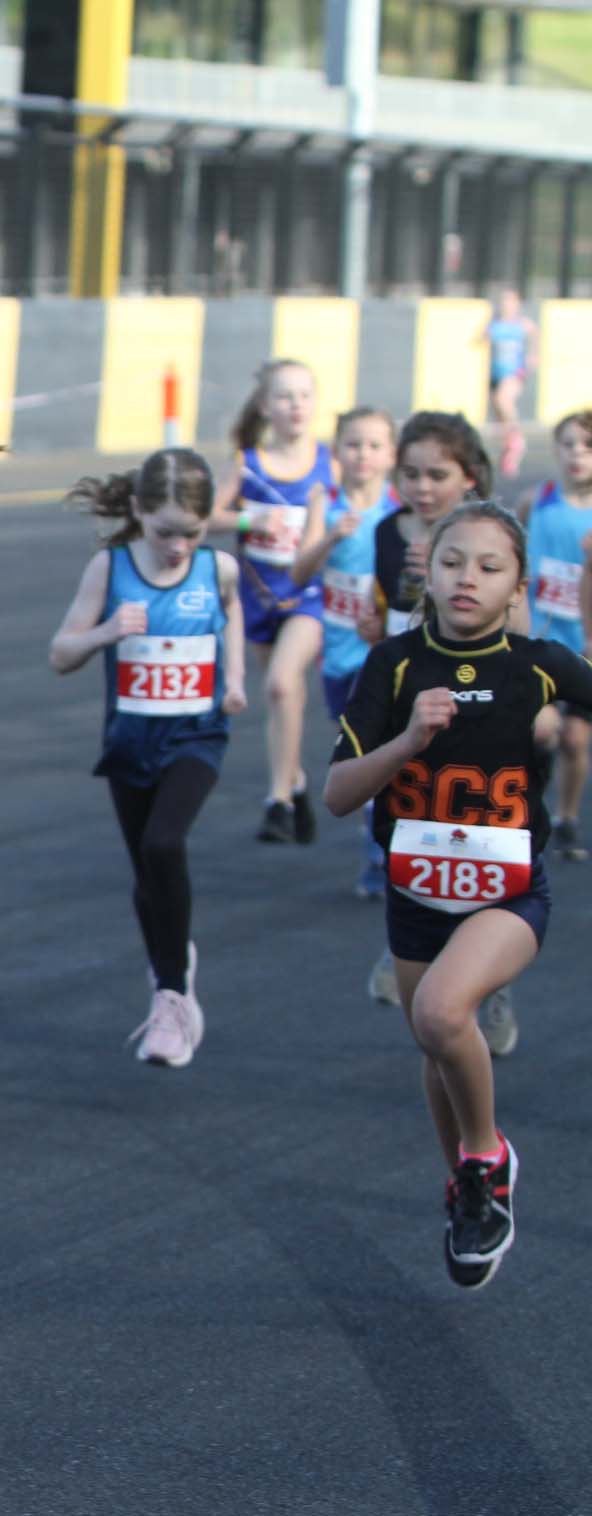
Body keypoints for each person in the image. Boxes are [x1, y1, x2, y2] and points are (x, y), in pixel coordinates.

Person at [326, 499, 592, 1287]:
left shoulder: (538, 663)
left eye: (489, 566)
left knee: (444, 1013)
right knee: (436, 1042)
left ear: (517, 587)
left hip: (508, 894)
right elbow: (338, 793)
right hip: (416, 893)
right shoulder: (394, 665)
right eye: (451, 562)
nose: (467, 578)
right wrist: (409, 739)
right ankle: (468, 1193)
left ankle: (486, 1157)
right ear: (428, 575)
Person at [50, 450, 249, 1068]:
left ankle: (172, 996)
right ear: (137, 511)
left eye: (193, 532)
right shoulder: (109, 569)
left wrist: (235, 677)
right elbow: (60, 653)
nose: (178, 547)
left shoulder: (217, 569)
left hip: (196, 736)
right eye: (165, 533)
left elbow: (232, 613)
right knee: (146, 875)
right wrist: (106, 632)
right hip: (131, 743)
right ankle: (171, 963)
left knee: (165, 844)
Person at [361, 411, 514, 1047]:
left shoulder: (490, 540)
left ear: (468, 477)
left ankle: (491, 984)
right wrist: (374, 628)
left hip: (477, 715)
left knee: (478, 849)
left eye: (438, 475)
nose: (422, 488)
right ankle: (409, 944)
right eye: (411, 474)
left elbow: (518, 631)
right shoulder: (387, 532)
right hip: (408, 714)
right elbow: (382, 613)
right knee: (408, 836)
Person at [211, 359, 329, 846]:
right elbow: (206, 517)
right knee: (283, 696)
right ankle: (294, 780)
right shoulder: (248, 465)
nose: (296, 405)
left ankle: (278, 802)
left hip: (311, 596)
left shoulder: (330, 463)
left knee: (282, 682)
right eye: (284, 396)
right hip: (260, 596)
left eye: (304, 395)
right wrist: (249, 521)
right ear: (265, 406)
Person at [292, 406, 401, 900]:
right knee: (360, 753)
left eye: (375, 445)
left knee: (376, 747)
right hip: (338, 653)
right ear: (336, 452)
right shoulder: (327, 502)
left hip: (383, 653)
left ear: (391, 454)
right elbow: (299, 572)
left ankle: (381, 852)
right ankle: (378, 839)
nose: (363, 455)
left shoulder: (399, 509)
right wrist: (331, 538)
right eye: (353, 444)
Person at [522, 409, 592, 861]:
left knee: (575, 739)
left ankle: (567, 818)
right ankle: (529, 810)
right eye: (568, 445)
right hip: (541, 641)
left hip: (585, 644)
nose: (577, 455)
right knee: (541, 730)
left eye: (588, 447)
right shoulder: (537, 501)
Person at [484, 289, 539, 478]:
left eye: (510, 301)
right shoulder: (494, 325)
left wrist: (533, 355)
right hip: (496, 373)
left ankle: (517, 439)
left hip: (514, 372)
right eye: (503, 301)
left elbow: (535, 337)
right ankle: (510, 448)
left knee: (504, 400)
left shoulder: (523, 324)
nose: (506, 305)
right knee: (499, 414)